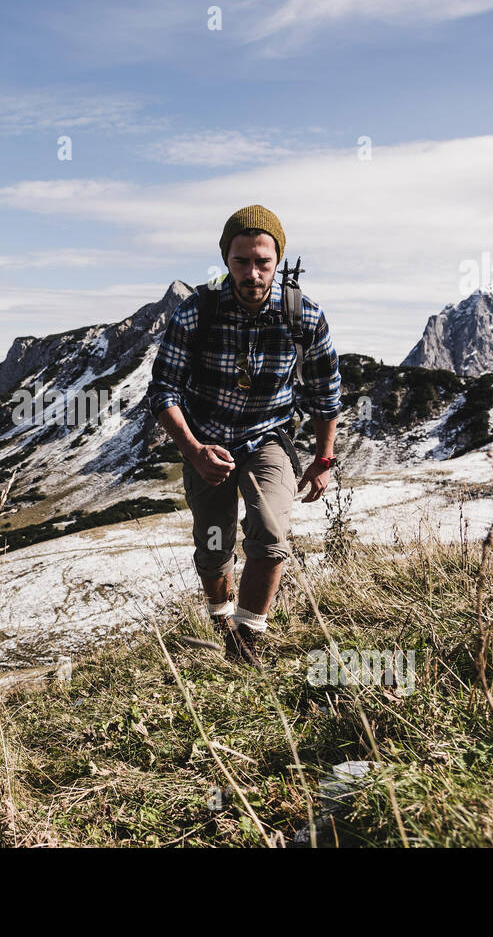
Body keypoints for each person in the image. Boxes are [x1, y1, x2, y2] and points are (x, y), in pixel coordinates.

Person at [145, 204, 342, 666]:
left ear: (278, 261)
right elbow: (163, 390)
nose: (252, 273)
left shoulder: (305, 317)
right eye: (241, 262)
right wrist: (194, 451)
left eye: (263, 262)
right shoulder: (196, 312)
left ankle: (245, 641)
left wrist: (323, 459)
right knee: (213, 548)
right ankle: (219, 615)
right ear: (225, 260)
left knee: (271, 532)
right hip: (206, 438)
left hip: (268, 438)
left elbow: (325, 393)